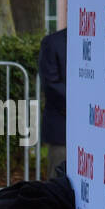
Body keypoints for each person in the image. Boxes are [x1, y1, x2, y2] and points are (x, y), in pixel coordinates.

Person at [37, 28, 67, 180]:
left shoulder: (98, 42)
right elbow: (51, 84)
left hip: (94, 130)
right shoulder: (53, 43)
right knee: (58, 180)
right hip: (62, 130)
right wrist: (81, 106)